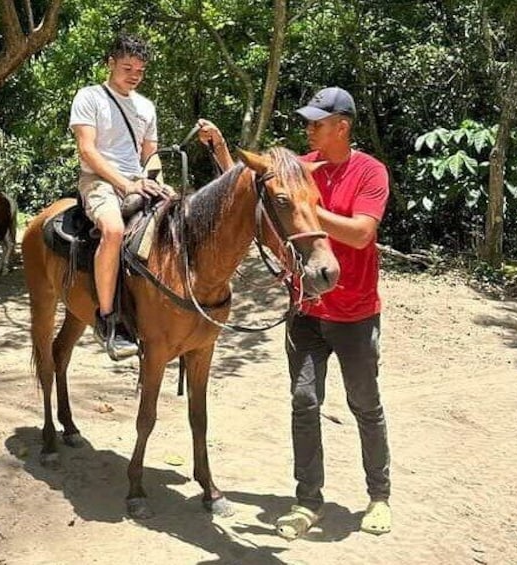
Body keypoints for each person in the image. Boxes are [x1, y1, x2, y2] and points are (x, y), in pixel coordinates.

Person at [197, 86, 392, 539]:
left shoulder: (369, 171)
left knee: (365, 404)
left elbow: (362, 234)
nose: (309, 128)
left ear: (342, 127)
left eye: (317, 123)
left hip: (356, 313)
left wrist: (306, 215)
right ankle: (308, 501)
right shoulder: (303, 169)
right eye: (308, 121)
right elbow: (251, 191)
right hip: (305, 309)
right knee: (304, 403)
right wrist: (223, 149)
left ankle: (379, 495)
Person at [69, 34, 168, 361]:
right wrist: (124, 184)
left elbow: (150, 155)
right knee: (112, 230)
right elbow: (87, 150)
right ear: (110, 63)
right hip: (98, 180)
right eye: (127, 67)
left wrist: (157, 184)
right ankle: (108, 318)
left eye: (140, 70)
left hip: (137, 180)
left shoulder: (146, 106)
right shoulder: (90, 97)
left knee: (183, 215)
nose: (134, 75)